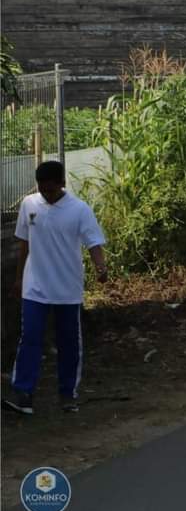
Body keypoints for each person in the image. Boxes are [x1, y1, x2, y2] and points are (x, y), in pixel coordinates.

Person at [3, 161, 107, 416]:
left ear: (62, 184)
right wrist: (19, 278)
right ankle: (23, 394)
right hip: (34, 286)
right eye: (42, 189)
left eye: (51, 190)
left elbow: (94, 243)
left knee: (69, 343)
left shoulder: (79, 210)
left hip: (67, 288)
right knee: (30, 339)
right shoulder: (29, 204)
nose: (46, 195)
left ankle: (67, 394)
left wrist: (101, 268)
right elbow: (24, 243)